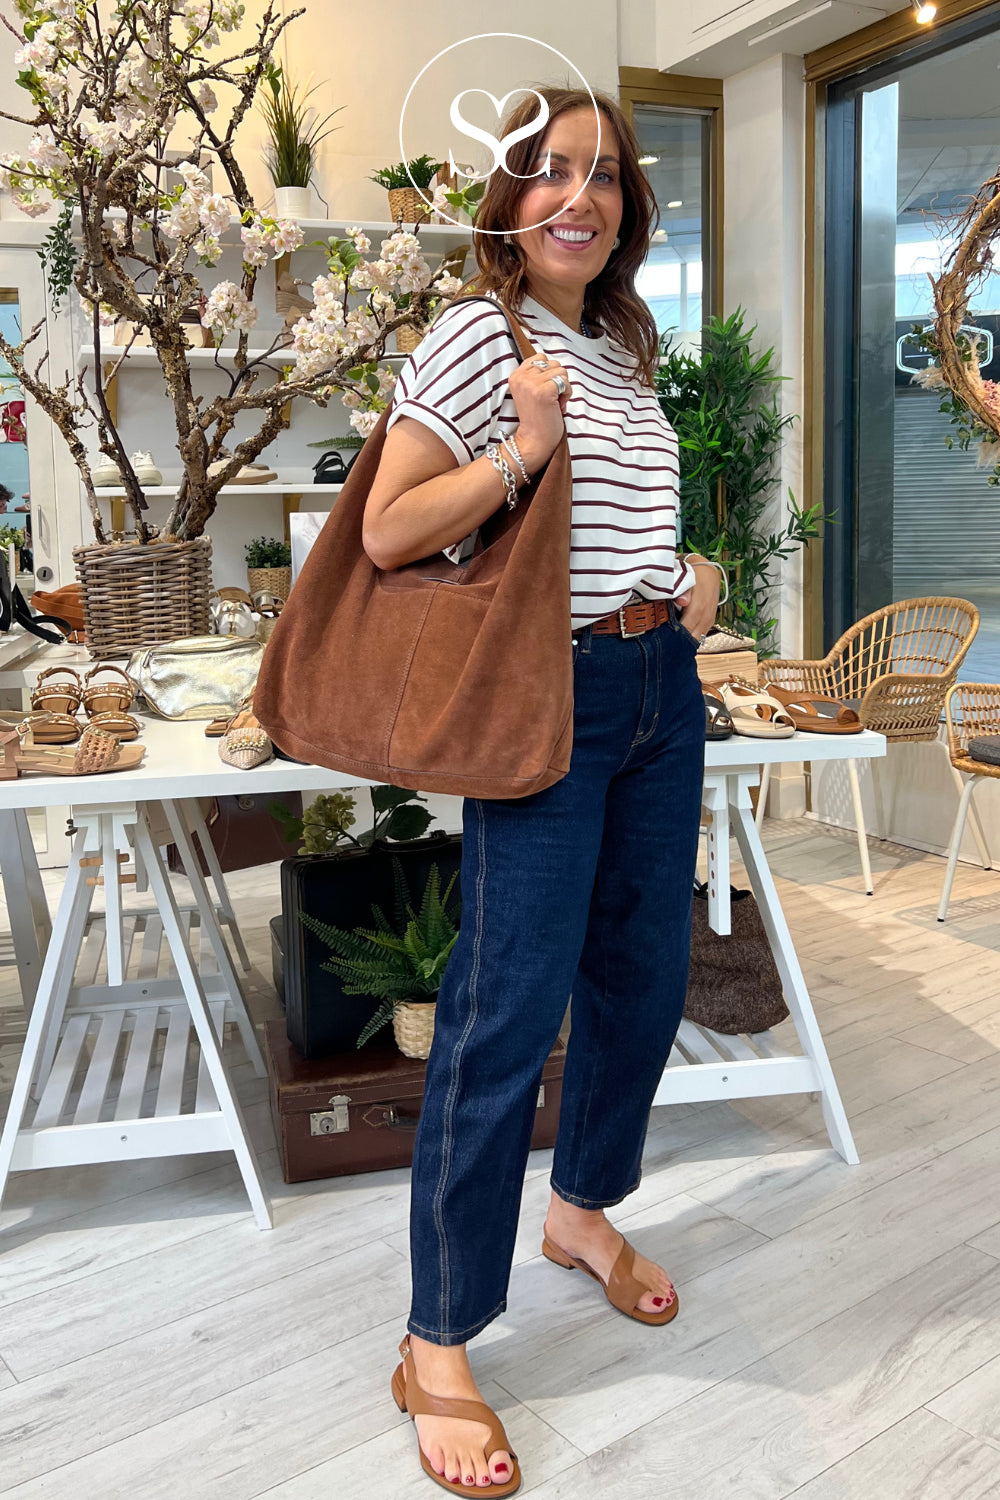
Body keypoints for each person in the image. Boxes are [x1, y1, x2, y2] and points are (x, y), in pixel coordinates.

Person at [364, 85, 721, 1496]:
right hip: (548, 700)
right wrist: (518, 440)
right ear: (509, 201)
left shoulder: (624, 347)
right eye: (553, 173)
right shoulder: (479, 336)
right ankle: (435, 1338)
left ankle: (580, 1213)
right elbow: (392, 527)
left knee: (640, 976)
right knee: (504, 1007)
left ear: (626, 209)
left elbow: (633, 525)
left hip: (656, 692)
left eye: (608, 177)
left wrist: (690, 584)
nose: (583, 196)